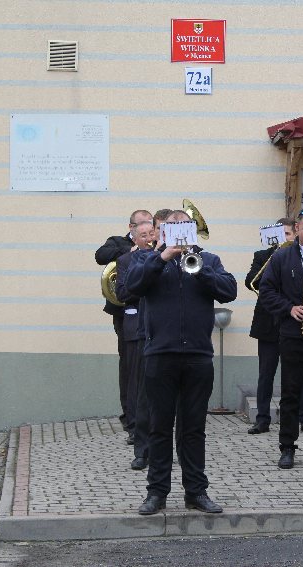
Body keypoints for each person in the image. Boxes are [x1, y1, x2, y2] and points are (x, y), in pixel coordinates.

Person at [126, 210, 237, 515]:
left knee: (193, 429)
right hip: (159, 355)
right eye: (171, 228)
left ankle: (196, 492)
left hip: (198, 356)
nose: (177, 233)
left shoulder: (208, 259)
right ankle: (156, 493)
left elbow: (229, 291)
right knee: (159, 428)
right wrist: (162, 257)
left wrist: (199, 268)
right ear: (162, 232)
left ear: (191, 230)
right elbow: (131, 286)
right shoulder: (145, 258)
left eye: (183, 228)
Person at [259, 208, 303, 469]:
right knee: (290, 393)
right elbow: (266, 290)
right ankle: (287, 447)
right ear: (297, 227)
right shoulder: (281, 256)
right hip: (292, 333)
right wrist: (289, 308)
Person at [244, 218, 303, 435]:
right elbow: (250, 281)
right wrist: (273, 259)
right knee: (266, 373)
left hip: (294, 321)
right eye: (280, 235)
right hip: (268, 322)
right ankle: (262, 419)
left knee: (301, 373)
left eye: (288, 234)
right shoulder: (262, 256)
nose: (284, 239)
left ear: (295, 234)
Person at [95, 209, 153, 439]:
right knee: (129, 366)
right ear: (132, 228)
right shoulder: (118, 242)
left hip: (148, 313)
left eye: (150, 226)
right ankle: (130, 418)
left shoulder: (155, 248)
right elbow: (100, 255)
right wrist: (129, 251)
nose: (148, 232)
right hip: (124, 313)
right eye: (142, 227)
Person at [114, 220, 155, 471]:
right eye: (144, 235)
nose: (149, 238)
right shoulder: (126, 260)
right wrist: (144, 285)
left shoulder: (166, 257)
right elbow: (122, 293)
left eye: (152, 233)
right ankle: (137, 437)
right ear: (135, 238)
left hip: (159, 329)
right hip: (137, 328)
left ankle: (159, 445)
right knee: (137, 386)